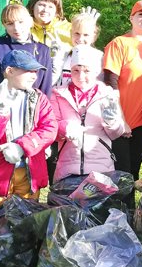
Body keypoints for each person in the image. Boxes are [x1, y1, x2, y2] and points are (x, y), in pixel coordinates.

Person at [0, 50, 58, 222]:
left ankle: (21, 247)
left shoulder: (39, 98)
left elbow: (50, 128)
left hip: (29, 171)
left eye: (35, 71)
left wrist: (22, 146)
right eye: (28, 71)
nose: (34, 76)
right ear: (10, 71)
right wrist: (0, 113)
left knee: (27, 216)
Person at [102, 0, 142, 186]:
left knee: (133, 171)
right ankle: (116, 213)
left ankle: (129, 213)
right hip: (119, 121)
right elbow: (110, 81)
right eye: (141, 14)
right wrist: (120, 119)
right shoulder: (119, 43)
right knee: (118, 175)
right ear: (131, 18)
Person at [50, 45, 126, 185]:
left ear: (97, 71)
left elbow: (116, 133)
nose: (81, 76)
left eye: (87, 71)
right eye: (76, 70)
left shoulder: (107, 94)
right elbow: (51, 129)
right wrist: (64, 127)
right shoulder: (58, 94)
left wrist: (112, 121)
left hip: (101, 169)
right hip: (67, 170)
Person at [56, 12, 104, 87]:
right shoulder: (63, 55)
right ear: (71, 34)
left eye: (86, 35)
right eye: (77, 33)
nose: (80, 39)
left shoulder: (98, 58)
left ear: (94, 36)